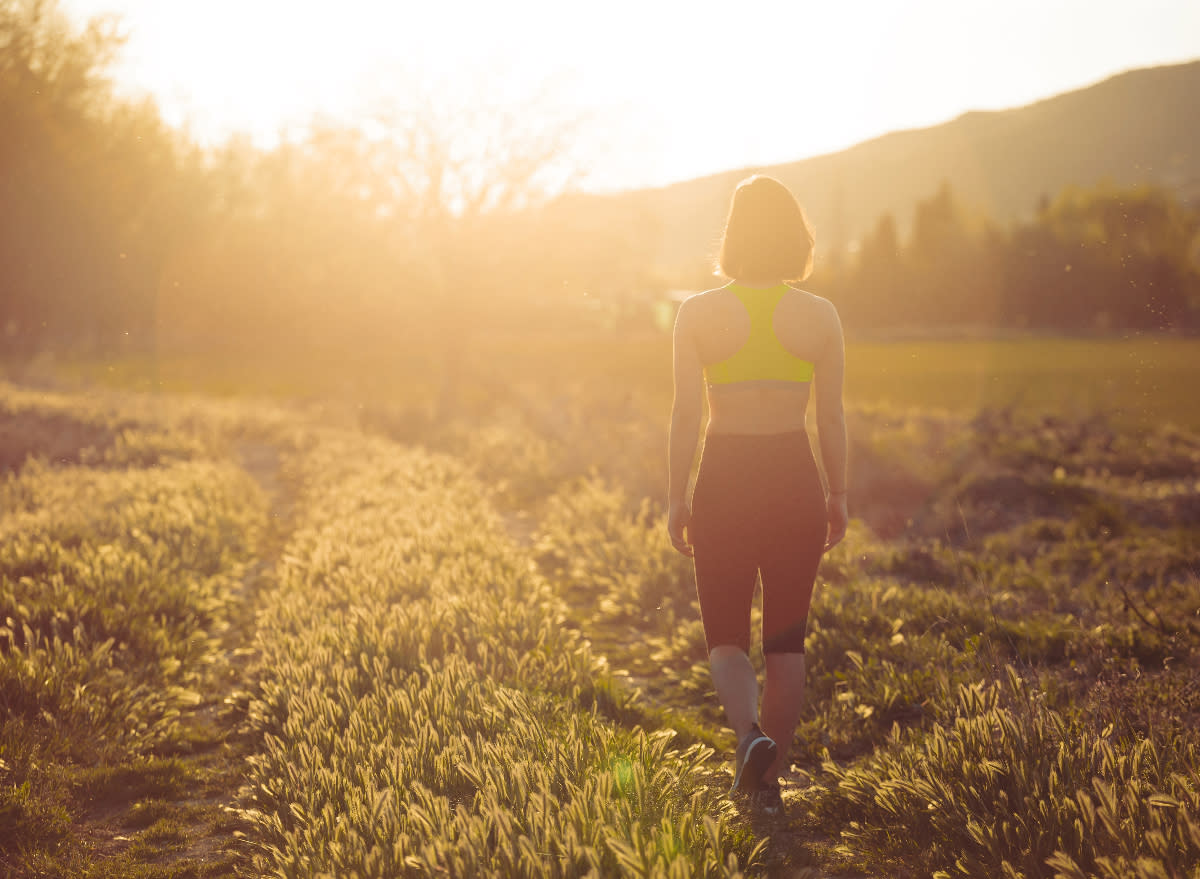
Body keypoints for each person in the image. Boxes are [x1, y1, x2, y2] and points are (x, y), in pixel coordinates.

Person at [667, 174, 848, 816]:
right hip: (796, 479)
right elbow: (831, 419)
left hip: (724, 479)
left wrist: (675, 498)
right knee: (787, 643)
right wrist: (839, 494)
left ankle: (750, 736)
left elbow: (687, 416)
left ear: (734, 235)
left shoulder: (697, 313)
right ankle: (771, 782)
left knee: (725, 638)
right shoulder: (820, 316)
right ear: (796, 236)